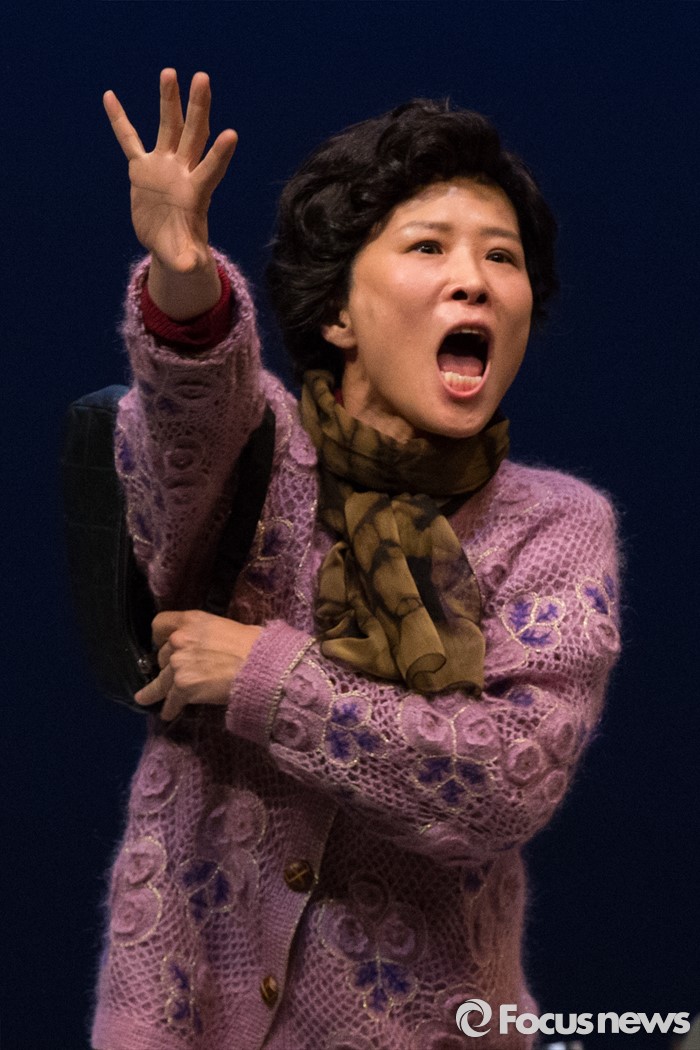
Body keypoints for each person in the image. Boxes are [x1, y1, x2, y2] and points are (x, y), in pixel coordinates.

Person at [92, 69, 621, 1050]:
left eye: (501, 257)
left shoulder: (556, 524)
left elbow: (506, 782)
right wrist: (181, 272)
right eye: (428, 246)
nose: (474, 278)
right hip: (183, 1017)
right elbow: (186, 405)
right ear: (338, 313)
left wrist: (264, 676)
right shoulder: (255, 446)